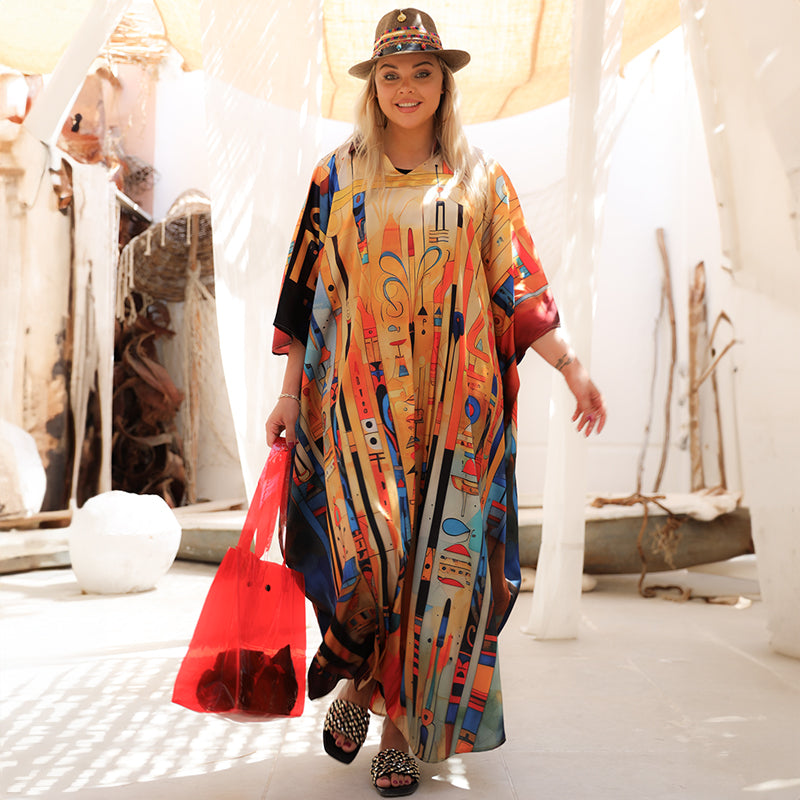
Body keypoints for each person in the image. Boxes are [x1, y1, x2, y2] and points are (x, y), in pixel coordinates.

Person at [265, 8, 606, 796]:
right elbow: (302, 295)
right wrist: (287, 394)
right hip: (359, 404)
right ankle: (358, 679)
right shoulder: (336, 176)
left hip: (459, 408)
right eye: (391, 74)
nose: (406, 87)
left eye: (422, 72)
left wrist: (571, 366)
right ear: (374, 86)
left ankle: (396, 726)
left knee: (439, 573)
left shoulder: (481, 178)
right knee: (375, 553)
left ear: (444, 84)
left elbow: (519, 288)